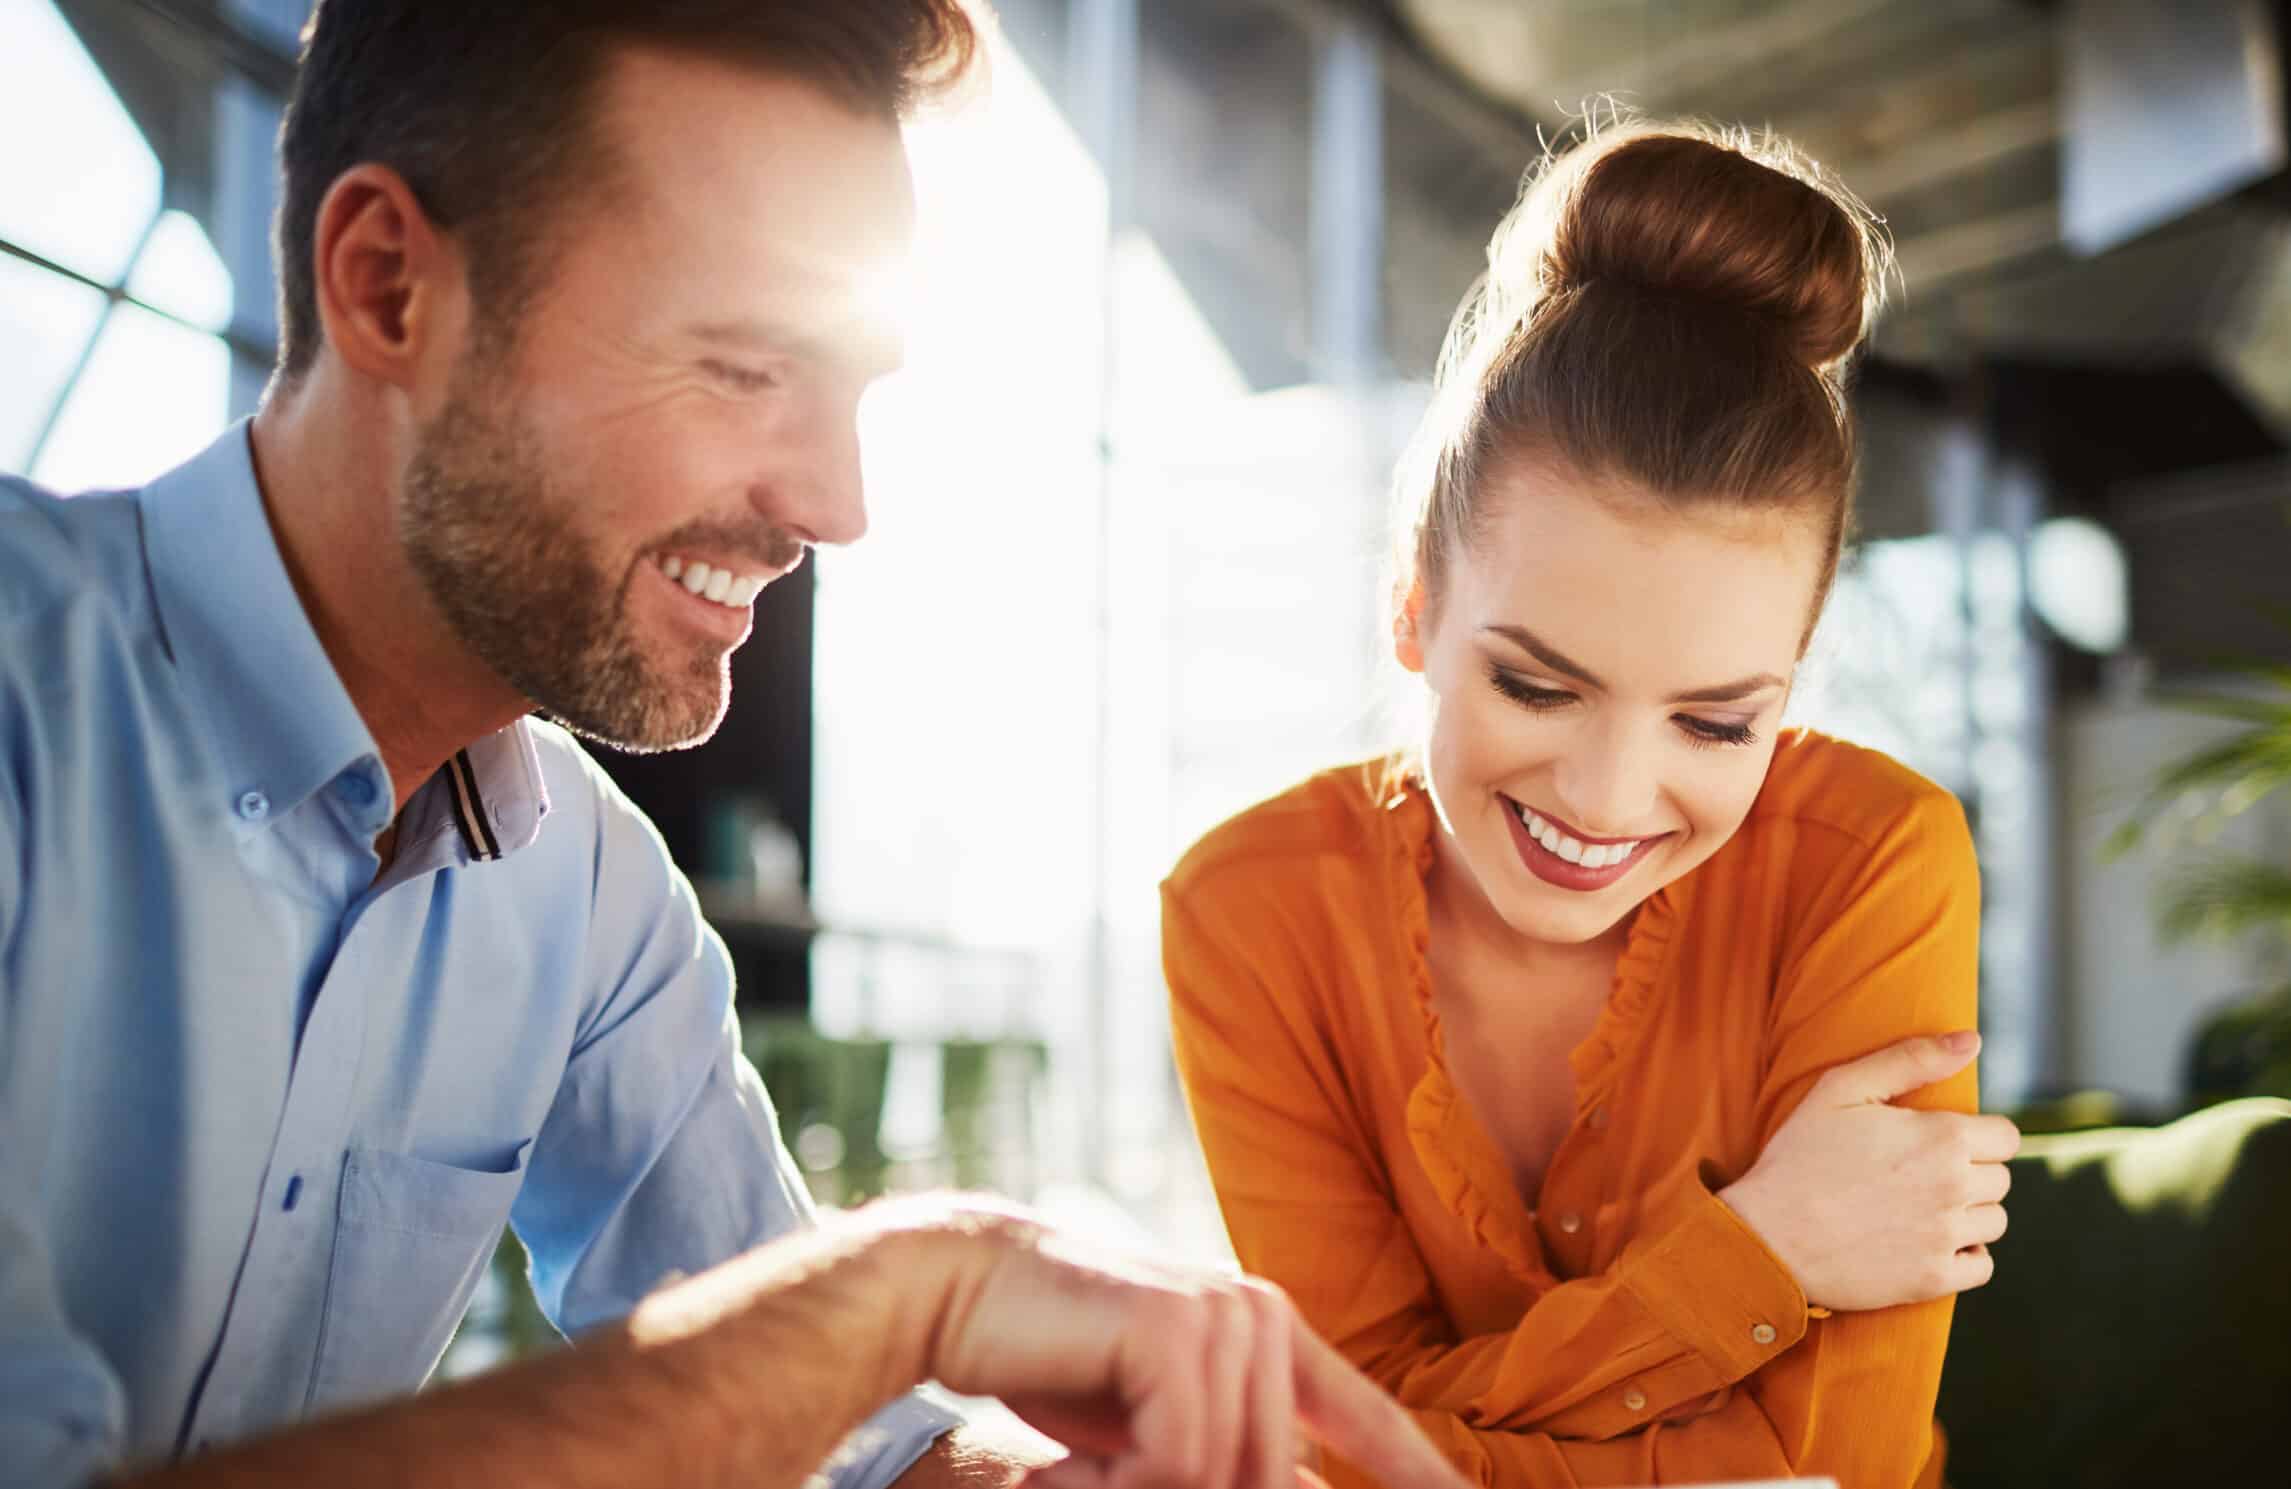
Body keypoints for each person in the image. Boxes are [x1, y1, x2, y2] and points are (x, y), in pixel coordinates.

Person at [0, 5, 1469, 1489]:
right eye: (746, 368)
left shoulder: (582, 894)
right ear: (388, 289)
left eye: (852, 394)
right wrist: (913, 1289)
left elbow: (856, 1448)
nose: (837, 504)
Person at [1163, 120, 2022, 1489]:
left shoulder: (1876, 865)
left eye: (1715, 720)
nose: (1611, 799)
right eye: (1539, 687)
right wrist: (1760, 1257)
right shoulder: (1246, 912)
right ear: (1414, 606)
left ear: (1792, 679)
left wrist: (1432, 1436)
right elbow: (1341, 1436)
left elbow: (1823, 1474)